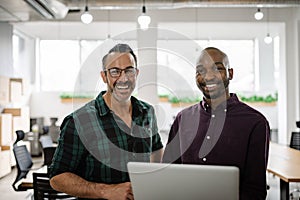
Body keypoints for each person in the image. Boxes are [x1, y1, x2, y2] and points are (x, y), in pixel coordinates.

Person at [49, 43, 164, 200]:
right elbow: (57, 178)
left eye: (129, 70)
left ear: (136, 74)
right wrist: (105, 191)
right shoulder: (79, 121)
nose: (123, 78)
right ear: (104, 76)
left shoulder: (147, 112)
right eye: (115, 71)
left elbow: (156, 151)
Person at [162, 47, 270, 200]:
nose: (208, 76)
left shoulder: (255, 123)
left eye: (217, 68)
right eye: (200, 71)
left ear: (230, 73)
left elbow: (255, 190)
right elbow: (168, 175)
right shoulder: (182, 119)